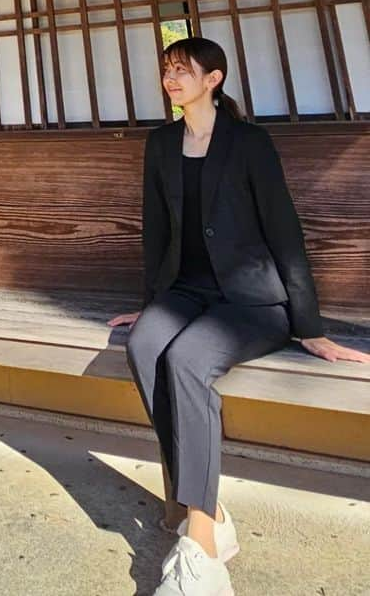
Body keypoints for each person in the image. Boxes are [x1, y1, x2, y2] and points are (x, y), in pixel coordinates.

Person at [109, 36, 369, 596]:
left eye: (183, 70)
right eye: (166, 70)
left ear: (214, 79)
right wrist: (150, 300)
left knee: (185, 361)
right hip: (184, 291)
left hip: (252, 302)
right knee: (144, 345)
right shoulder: (160, 144)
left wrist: (310, 326)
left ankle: (200, 540)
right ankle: (211, 508)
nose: (171, 79)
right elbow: (157, 231)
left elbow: (284, 230)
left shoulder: (249, 143)